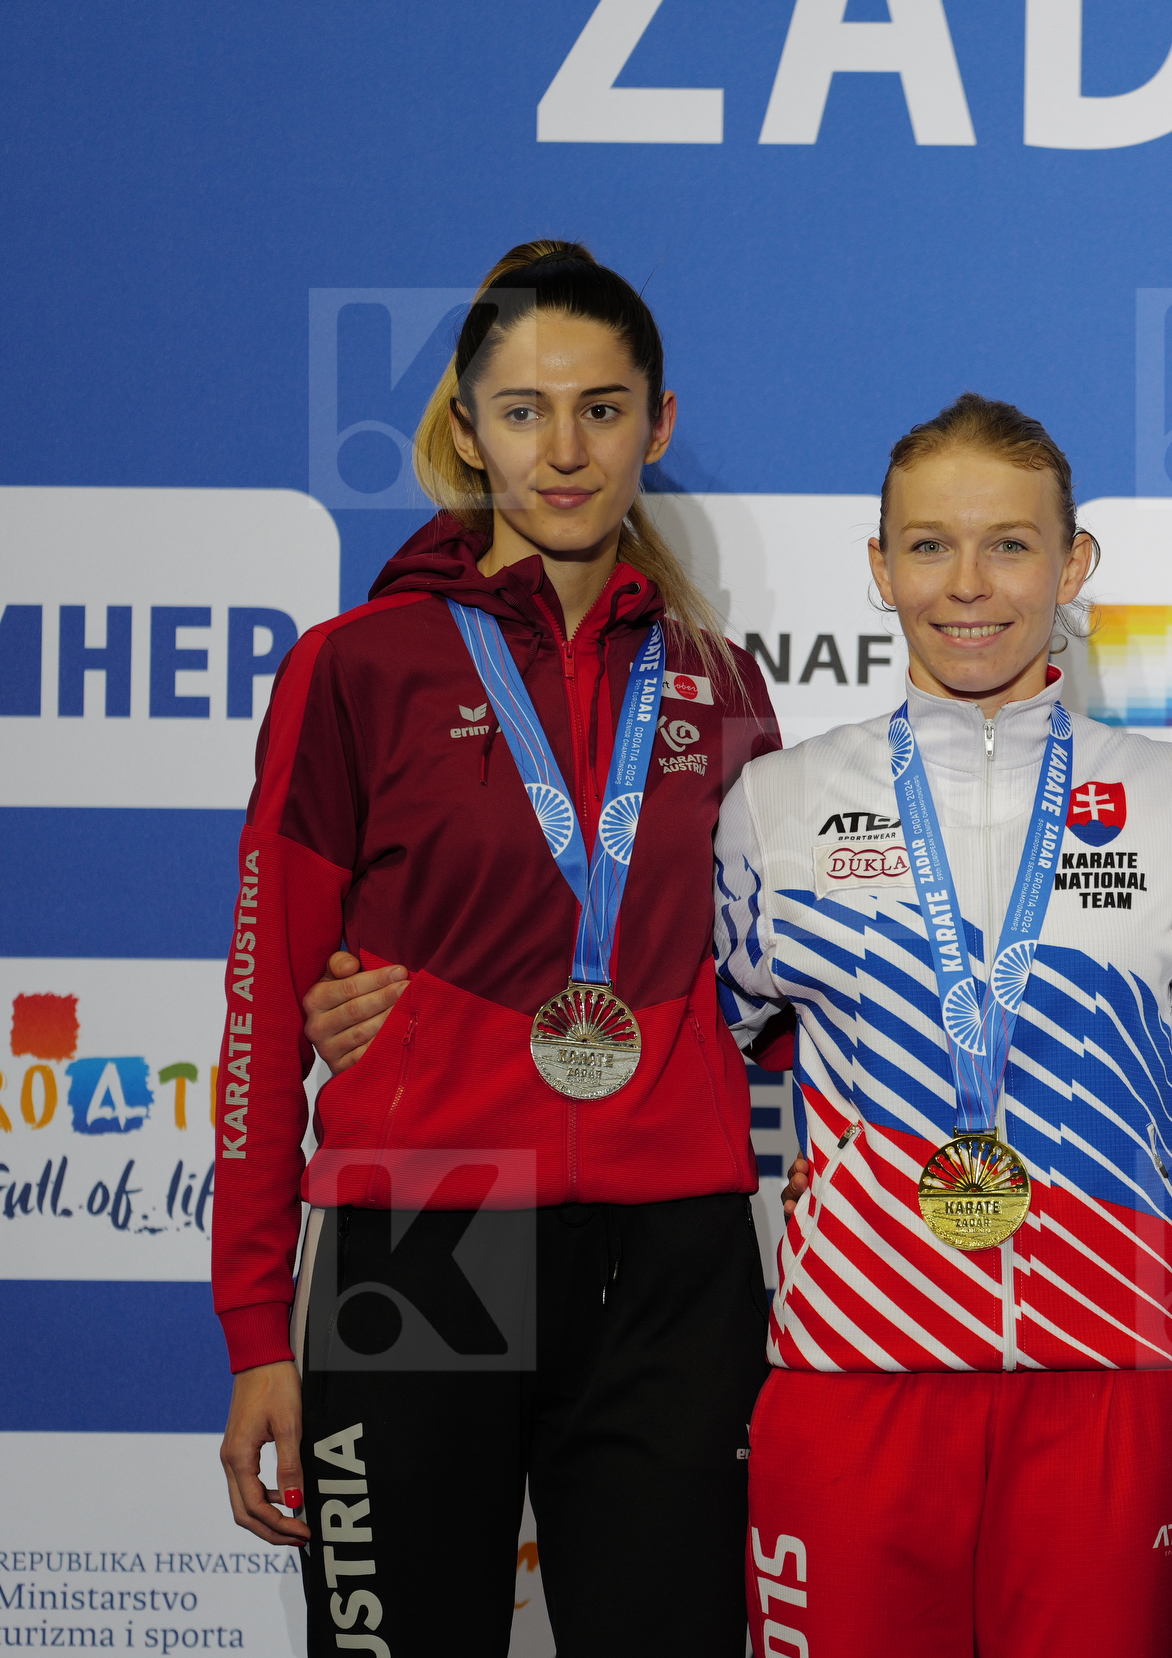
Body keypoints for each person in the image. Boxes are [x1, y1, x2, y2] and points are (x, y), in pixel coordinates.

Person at [214, 239, 781, 1654]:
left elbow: (784, 981)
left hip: (671, 1253)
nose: (564, 449)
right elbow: (265, 1012)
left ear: (655, 421)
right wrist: (256, 1328)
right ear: (467, 429)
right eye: (522, 411)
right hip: (422, 1228)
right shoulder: (358, 669)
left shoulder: (722, 685)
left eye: (601, 407)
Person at [714, 393, 1172, 1658]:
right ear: (878, 567)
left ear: (1073, 563)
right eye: (929, 545)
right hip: (852, 1372)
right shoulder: (775, 802)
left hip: (1111, 1366)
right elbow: (700, 1053)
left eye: (1009, 543)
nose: (968, 584)